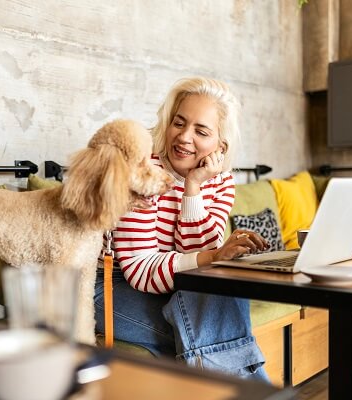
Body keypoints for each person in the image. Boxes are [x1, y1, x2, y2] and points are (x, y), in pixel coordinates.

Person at [94, 77, 270, 381]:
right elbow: (139, 269)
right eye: (179, 123)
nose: (184, 137)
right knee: (207, 334)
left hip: (174, 281)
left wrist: (193, 188)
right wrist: (212, 258)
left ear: (220, 145)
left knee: (219, 298)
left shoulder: (221, 180)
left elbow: (199, 262)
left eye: (201, 131)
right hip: (108, 283)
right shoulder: (139, 168)